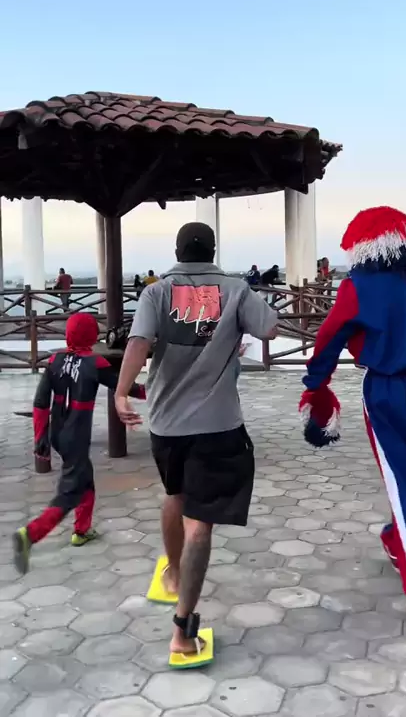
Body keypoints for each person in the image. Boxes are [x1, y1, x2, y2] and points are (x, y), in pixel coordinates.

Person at [300, 206, 406, 628]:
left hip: (385, 390)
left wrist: (317, 384)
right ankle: (401, 543)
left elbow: (328, 338)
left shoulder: (356, 287)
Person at [115, 222, 277, 663]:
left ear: (177, 251)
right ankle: (182, 635)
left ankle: (172, 575)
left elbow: (139, 342)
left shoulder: (156, 292)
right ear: (213, 250)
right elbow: (269, 329)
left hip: (166, 425)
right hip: (218, 426)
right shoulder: (236, 290)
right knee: (200, 524)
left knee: (175, 494)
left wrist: (121, 392)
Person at [12, 313, 145, 575]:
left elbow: (40, 403)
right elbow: (123, 385)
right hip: (76, 438)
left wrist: (40, 438)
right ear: (92, 335)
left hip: (58, 435)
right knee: (69, 493)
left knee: (85, 479)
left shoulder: (54, 361)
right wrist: (155, 391)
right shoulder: (95, 363)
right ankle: (30, 534)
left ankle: (82, 530)